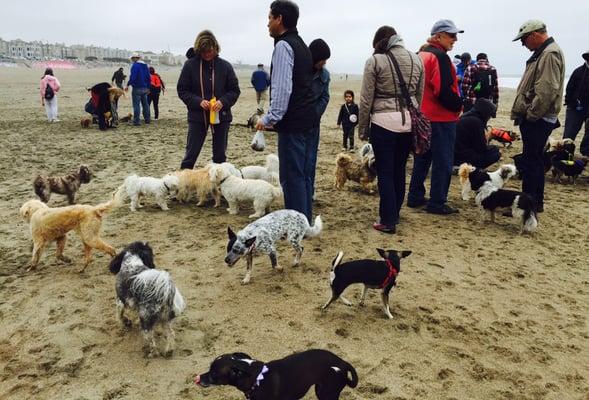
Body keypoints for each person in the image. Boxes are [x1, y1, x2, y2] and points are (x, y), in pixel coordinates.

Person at [255, 0, 317, 222]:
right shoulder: (302, 44)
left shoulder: (283, 46)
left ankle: (296, 225)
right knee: (304, 175)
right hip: (309, 120)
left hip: (293, 124)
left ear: (280, 19)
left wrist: (269, 118)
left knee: (292, 178)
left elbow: (282, 89)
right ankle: (305, 221)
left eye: (270, 18)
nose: (268, 23)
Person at [358, 26, 424, 233]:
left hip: (383, 122)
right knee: (399, 170)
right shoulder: (417, 59)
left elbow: (366, 98)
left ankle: (388, 221)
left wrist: (362, 128)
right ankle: (394, 213)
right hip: (408, 123)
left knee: (385, 172)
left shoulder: (375, 61)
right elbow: (418, 96)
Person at [407, 19, 464, 215]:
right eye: (451, 35)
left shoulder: (419, 55)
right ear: (438, 36)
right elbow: (444, 91)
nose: (455, 39)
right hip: (441, 118)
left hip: (422, 116)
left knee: (422, 158)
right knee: (443, 162)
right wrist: (459, 105)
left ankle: (414, 197)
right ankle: (437, 202)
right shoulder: (440, 57)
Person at [511, 20, 565, 212]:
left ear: (534, 35)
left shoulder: (549, 54)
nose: (523, 44)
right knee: (534, 160)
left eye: (524, 40)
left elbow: (546, 90)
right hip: (540, 117)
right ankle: (534, 203)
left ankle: (529, 204)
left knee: (532, 162)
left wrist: (531, 115)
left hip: (539, 119)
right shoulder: (545, 52)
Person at [177, 30, 240, 168]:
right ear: (199, 50)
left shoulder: (225, 66)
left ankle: (218, 186)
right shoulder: (190, 65)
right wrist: (198, 101)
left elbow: (234, 91)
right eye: (204, 52)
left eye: (210, 51)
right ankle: (182, 184)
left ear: (216, 49)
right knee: (191, 154)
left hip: (221, 116)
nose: (207, 55)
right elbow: (182, 90)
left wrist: (222, 102)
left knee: (220, 155)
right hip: (197, 116)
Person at [308, 38, 331, 199]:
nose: (323, 64)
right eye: (322, 60)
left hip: (313, 124)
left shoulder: (325, 75)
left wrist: (315, 114)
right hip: (297, 122)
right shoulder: (300, 71)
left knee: (310, 160)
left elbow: (325, 97)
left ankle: (310, 191)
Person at [454, 98, 500, 168]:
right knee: (495, 153)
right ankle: (470, 167)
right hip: (462, 156)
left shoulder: (466, 116)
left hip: (455, 153)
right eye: (489, 116)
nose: (489, 118)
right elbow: (481, 148)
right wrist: (489, 137)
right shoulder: (476, 122)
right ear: (485, 113)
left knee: (492, 150)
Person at [563, 50, 589, 156]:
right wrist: (569, 102)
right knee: (569, 133)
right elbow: (569, 88)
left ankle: (586, 154)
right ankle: (565, 152)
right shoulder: (578, 71)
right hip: (575, 107)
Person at [125, 53, 151, 126]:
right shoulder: (145, 66)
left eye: (132, 58)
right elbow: (148, 77)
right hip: (145, 88)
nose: (132, 60)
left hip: (137, 88)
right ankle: (147, 120)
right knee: (145, 105)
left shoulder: (135, 66)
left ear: (135, 58)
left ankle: (136, 121)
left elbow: (133, 77)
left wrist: (128, 84)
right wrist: (148, 87)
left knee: (136, 105)